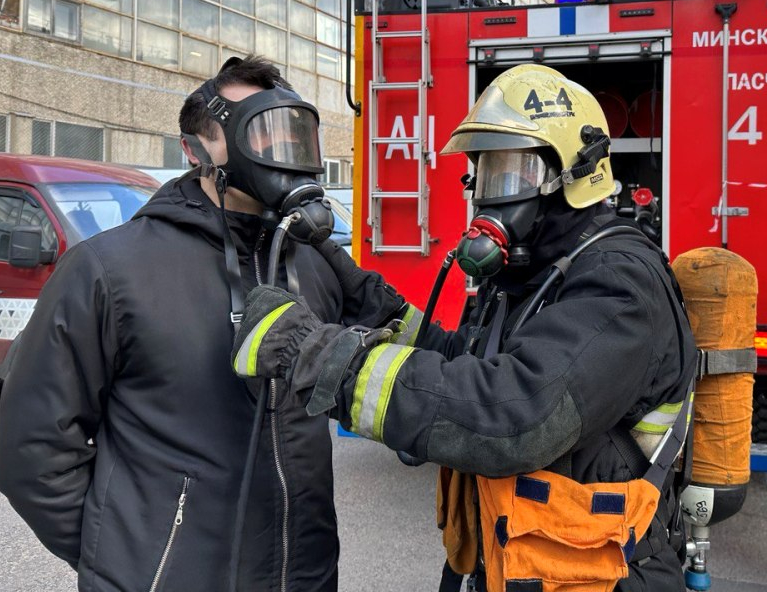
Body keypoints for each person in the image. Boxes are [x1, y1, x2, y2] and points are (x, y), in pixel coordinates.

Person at [231, 64, 697, 591]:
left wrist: (317, 356)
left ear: (572, 172)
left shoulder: (619, 284)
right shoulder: (535, 271)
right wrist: (369, 302)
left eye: (511, 172)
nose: (488, 195)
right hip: (514, 565)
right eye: (484, 172)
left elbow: (512, 414)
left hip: (604, 575)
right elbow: (467, 364)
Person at [0, 56, 410, 591]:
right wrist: (130, 560)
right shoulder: (109, 271)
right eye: (261, 130)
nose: (282, 150)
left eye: (292, 131)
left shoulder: (312, 264)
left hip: (303, 576)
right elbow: (33, 453)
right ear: (198, 149)